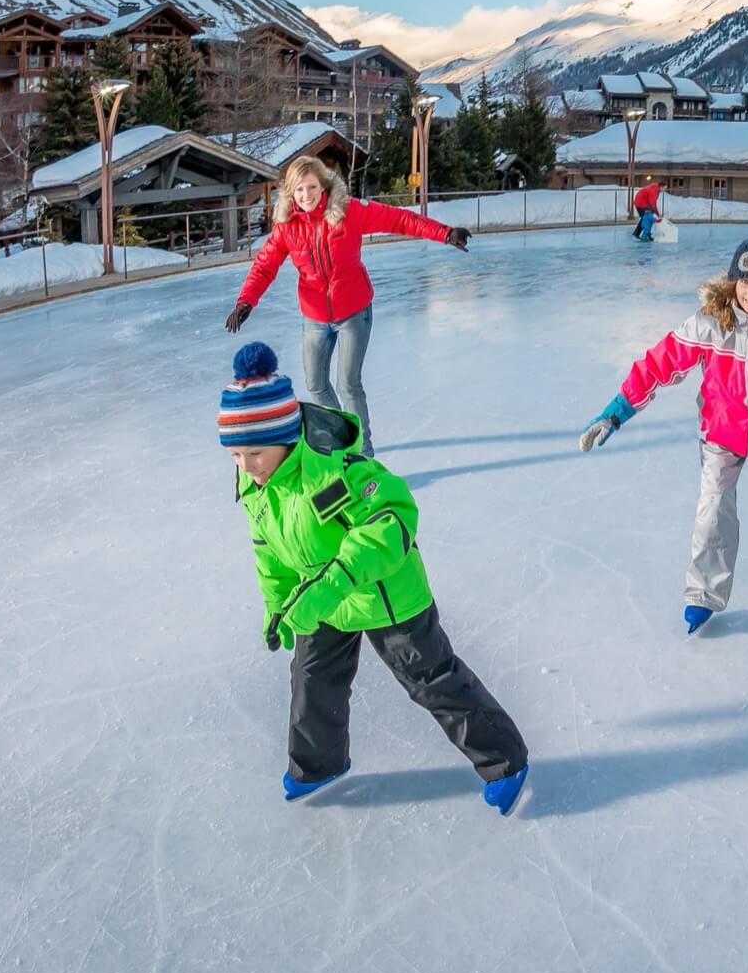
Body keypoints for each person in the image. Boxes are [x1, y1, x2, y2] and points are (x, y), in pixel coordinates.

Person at [221, 341, 530, 812]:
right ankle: (319, 764)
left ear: (285, 437)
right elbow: (270, 553)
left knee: (430, 679)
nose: (245, 468)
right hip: (322, 599)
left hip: (386, 593)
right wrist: (278, 606)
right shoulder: (258, 485)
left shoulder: (332, 473)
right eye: (236, 455)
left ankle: (505, 760)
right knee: (311, 679)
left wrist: (338, 579)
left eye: (254, 455)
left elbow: (394, 517)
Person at [578, 220, 748, 634]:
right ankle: (703, 596)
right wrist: (615, 411)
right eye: (745, 280)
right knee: (712, 516)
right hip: (720, 439)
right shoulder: (709, 324)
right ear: (733, 280)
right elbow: (659, 363)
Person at [225, 155, 468, 458]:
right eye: (299, 190)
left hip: (353, 310)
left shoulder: (348, 212)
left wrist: (445, 233)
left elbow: (398, 219)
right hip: (314, 316)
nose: (306, 196)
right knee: (315, 384)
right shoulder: (287, 227)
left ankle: (363, 453)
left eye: (311, 187)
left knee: (348, 384)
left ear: (322, 185)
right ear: (290, 192)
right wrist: (246, 301)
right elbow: (265, 265)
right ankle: (343, 438)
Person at [631, 176, 663, 242]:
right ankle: (642, 234)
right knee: (646, 218)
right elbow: (653, 204)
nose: (665, 190)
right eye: (664, 188)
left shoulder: (656, 189)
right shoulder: (654, 190)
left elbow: (652, 203)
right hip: (641, 204)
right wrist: (657, 214)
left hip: (643, 203)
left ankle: (641, 234)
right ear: (661, 187)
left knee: (645, 218)